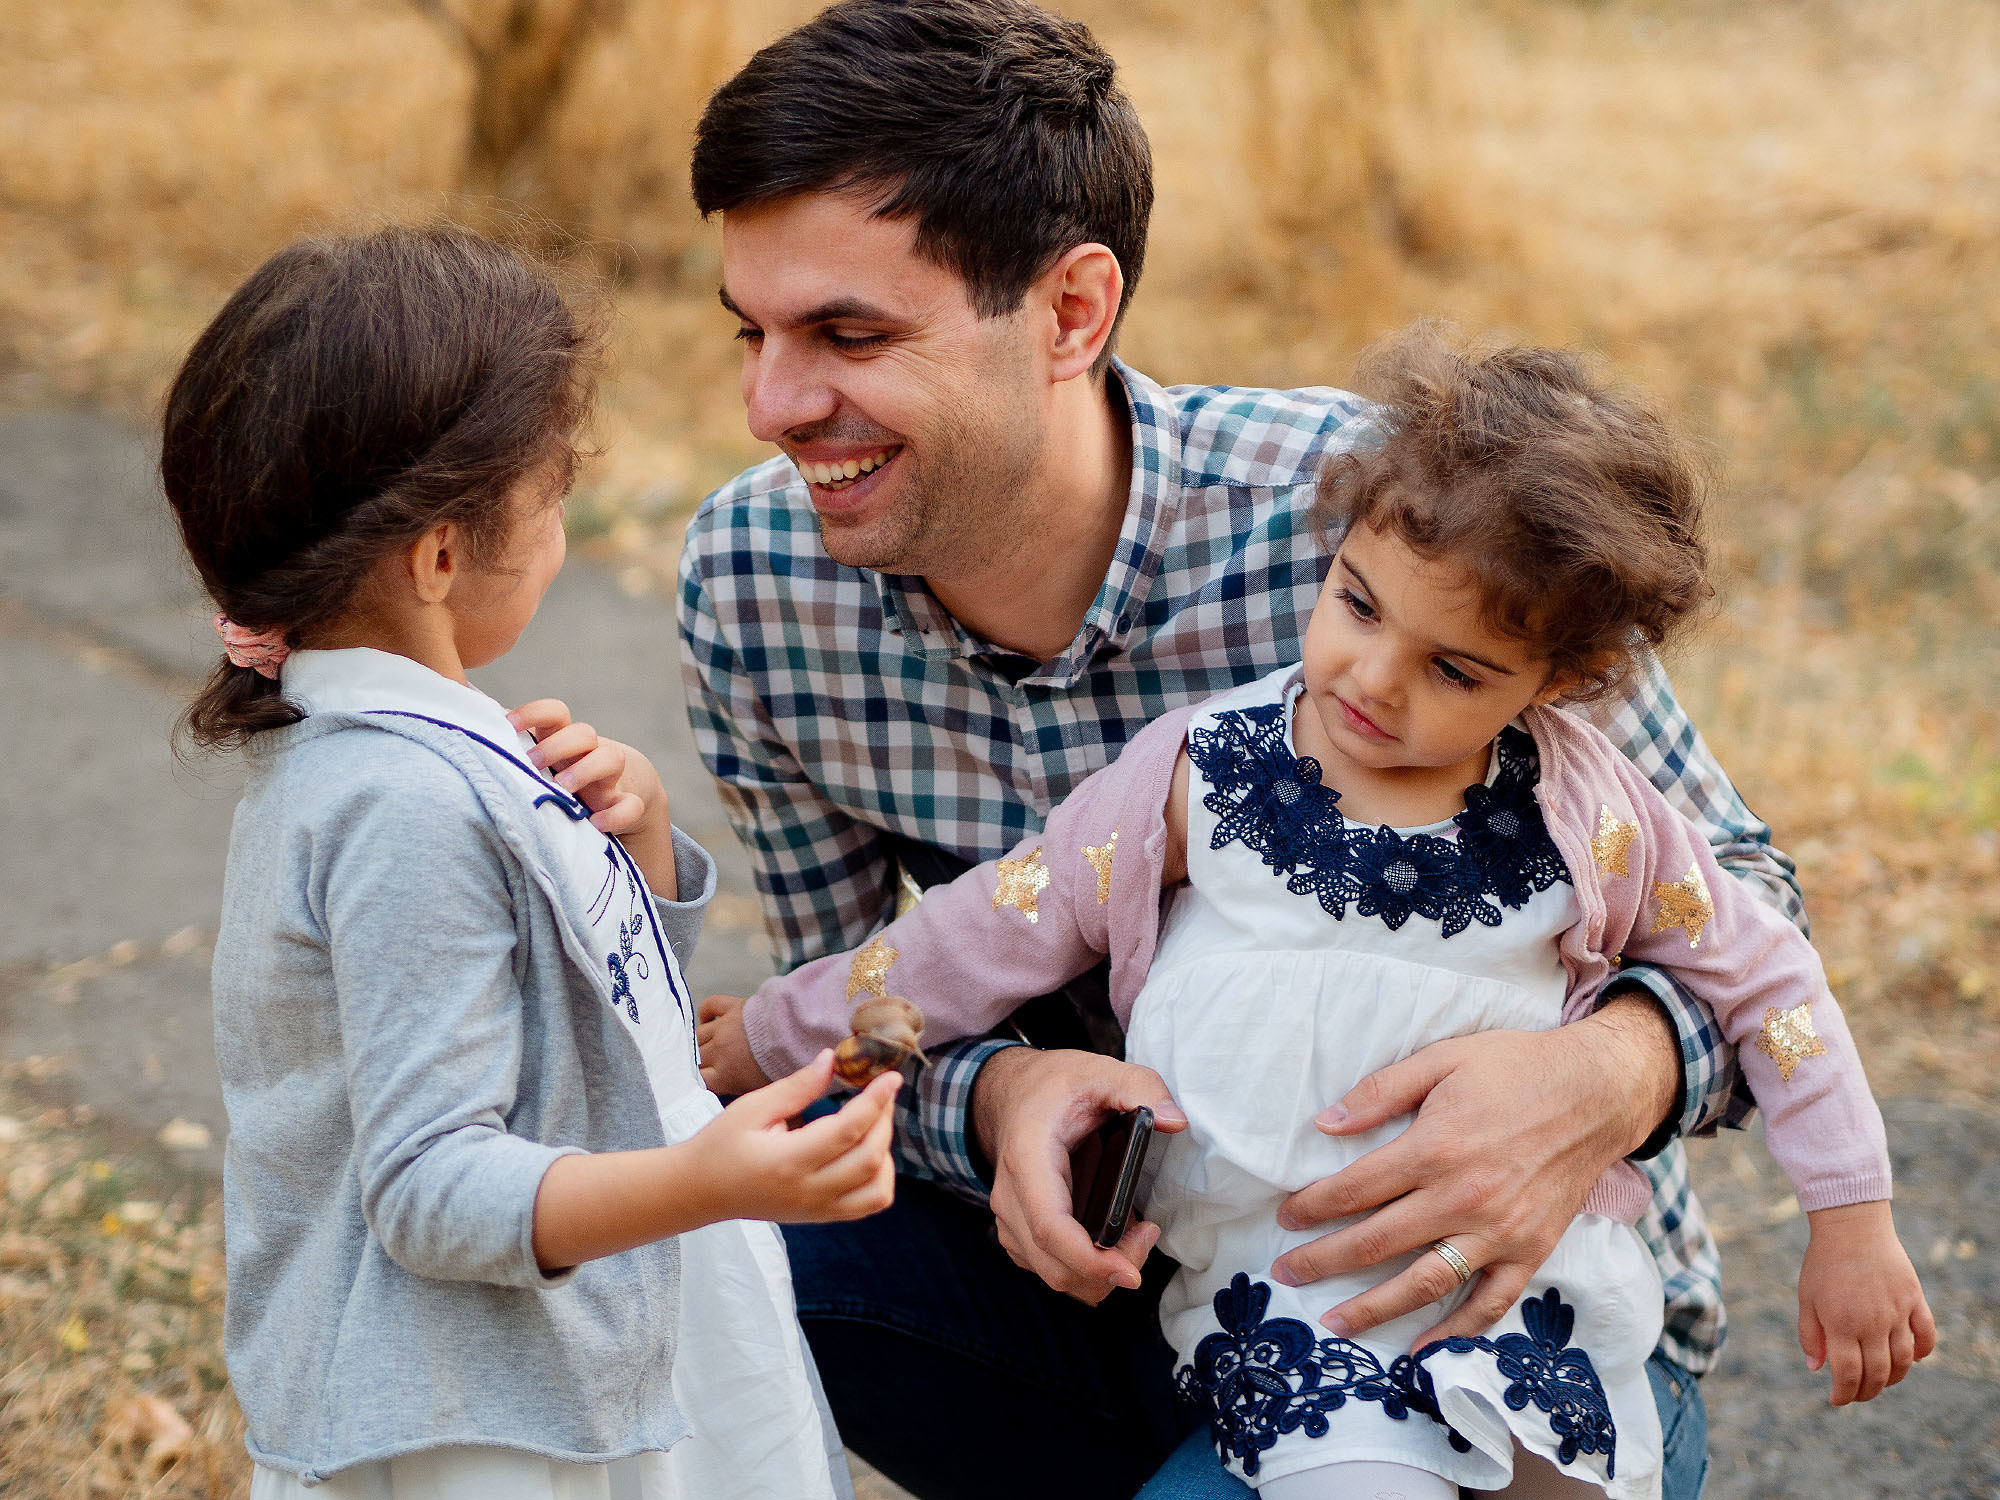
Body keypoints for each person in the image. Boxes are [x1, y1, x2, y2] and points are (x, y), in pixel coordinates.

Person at [679, 4, 1796, 1495]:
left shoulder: (1394, 528)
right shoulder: (753, 583)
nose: (771, 406)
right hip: (1116, 1280)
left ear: (1073, 313)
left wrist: (1612, 1071)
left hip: (1467, 1304)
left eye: (849, 335)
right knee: (699, 1229)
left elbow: (1750, 894)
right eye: (752, 333)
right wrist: (998, 1099)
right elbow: (844, 1050)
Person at [701, 326, 1937, 1499]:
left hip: (1529, 1279)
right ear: (1338, 549)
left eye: (1455, 670)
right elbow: (971, 939)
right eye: (1356, 605)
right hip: (1299, 1295)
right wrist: (770, 1030)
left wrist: (1850, 1216)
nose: (1371, 679)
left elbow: (1767, 981)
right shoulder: (1202, 773)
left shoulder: (1594, 811)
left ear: (1561, 683)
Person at [162, 223, 901, 1499]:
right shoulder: (402, 806)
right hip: (493, 1412)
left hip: (578, 1341)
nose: (563, 523)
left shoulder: (434, 759)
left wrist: (644, 852)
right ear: (441, 554)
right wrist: (697, 1180)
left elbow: (579, 1029)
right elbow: (432, 1189)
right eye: (552, 494)